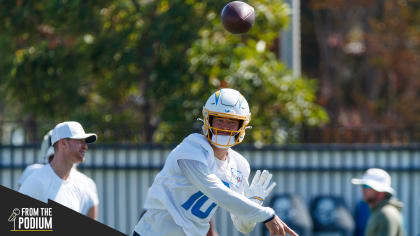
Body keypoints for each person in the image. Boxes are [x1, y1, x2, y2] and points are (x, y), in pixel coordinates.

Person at [133, 88, 297, 236]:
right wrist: (265, 214)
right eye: (219, 120)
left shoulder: (239, 165)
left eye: (231, 121)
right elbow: (215, 190)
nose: (224, 127)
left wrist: (252, 202)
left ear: (242, 125)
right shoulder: (192, 148)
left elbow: (243, 227)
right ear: (208, 120)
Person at [19, 121, 98, 215]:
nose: (85, 146)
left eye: (85, 142)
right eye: (80, 141)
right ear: (63, 143)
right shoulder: (36, 182)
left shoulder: (76, 185)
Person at [351, 168, 404, 236]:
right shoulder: (378, 212)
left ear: (381, 192)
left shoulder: (386, 214)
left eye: (367, 186)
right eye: (363, 186)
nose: (363, 189)